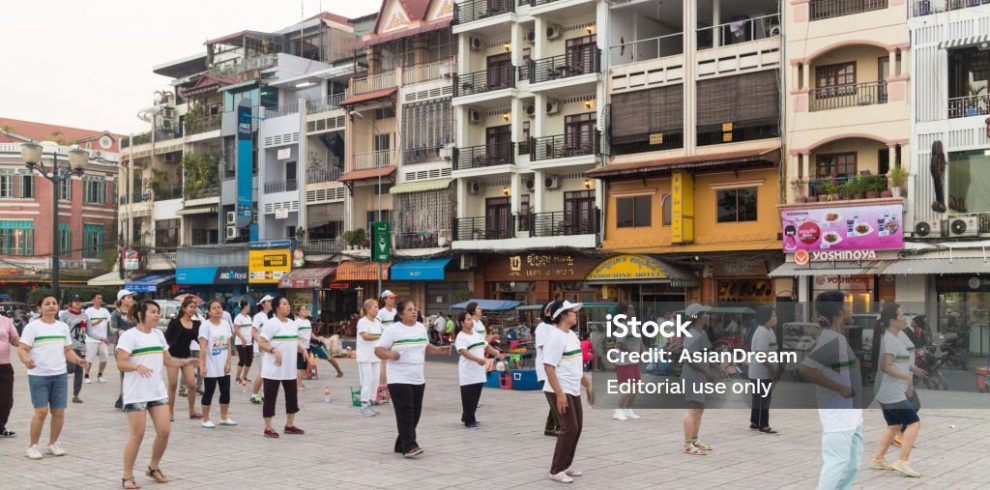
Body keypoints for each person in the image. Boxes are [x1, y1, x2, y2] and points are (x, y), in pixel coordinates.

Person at [118, 300, 188, 489]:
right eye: (153, 312)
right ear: (141, 314)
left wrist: (188, 362)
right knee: (137, 435)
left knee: (164, 431)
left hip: (156, 391)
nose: (157, 315)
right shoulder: (129, 336)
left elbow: (168, 360)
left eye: (158, 312)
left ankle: (153, 467)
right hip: (136, 393)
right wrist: (136, 366)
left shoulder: (158, 335)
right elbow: (121, 362)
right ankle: (127, 476)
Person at [799, 291, 864, 490]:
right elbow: (806, 368)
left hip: (851, 414)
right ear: (837, 311)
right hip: (838, 415)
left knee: (851, 465)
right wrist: (840, 388)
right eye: (846, 304)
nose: (849, 307)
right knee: (837, 464)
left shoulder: (838, 337)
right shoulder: (831, 339)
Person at [375, 300, 451, 457]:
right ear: (401, 314)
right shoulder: (392, 330)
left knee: (415, 414)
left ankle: (400, 443)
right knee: (406, 412)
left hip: (418, 377)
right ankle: (410, 446)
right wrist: (389, 354)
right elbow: (378, 350)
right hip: (399, 378)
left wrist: (438, 350)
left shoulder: (420, 328)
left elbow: (425, 346)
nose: (414, 312)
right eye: (410, 310)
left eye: (415, 309)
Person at [18, 294, 90, 459]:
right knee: (41, 411)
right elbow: (22, 348)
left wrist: (79, 360)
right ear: (39, 308)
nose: (51, 306)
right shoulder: (33, 326)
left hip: (59, 375)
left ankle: (53, 443)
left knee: (59, 412)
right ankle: (33, 446)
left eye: (54, 303)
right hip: (39, 375)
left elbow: (67, 350)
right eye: (47, 303)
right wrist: (26, 360)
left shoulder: (62, 327)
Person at [869, 303, 922, 477]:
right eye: (901, 315)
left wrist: (912, 371)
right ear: (892, 321)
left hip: (889, 391)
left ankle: (878, 459)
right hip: (892, 391)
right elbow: (886, 366)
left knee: (893, 426)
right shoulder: (890, 340)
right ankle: (903, 462)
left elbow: (900, 361)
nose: (904, 318)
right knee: (914, 423)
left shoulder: (895, 337)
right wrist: (907, 378)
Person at [542, 299, 593, 483]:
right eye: (572, 311)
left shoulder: (571, 335)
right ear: (563, 315)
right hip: (558, 389)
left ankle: (565, 465)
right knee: (569, 428)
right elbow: (548, 367)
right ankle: (556, 470)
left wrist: (587, 386)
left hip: (572, 388)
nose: (575, 314)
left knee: (576, 428)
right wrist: (560, 394)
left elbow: (575, 366)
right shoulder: (555, 337)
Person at [257, 296, 305, 438]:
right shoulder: (271, 323)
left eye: (288, 304)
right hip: (273, 369)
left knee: (292, 397)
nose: (288, 306)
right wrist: (273, 350)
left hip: (289, 369)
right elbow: (261, 342)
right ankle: (268, 427)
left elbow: (293, 342)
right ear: (277, 307)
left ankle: (289, 425)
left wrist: (304, 351)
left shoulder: (292, 323)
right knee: (270, 398)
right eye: (284, 304)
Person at [682, 303, 720, 456]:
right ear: (697, 317)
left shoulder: (702, 334)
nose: (706, 316)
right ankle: (687, 444)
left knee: (700, 409)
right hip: (692, 376)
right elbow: (689, 359)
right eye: (703, 313)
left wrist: (718, 367)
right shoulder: (691, 335)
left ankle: (695, 440)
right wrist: (706, 373)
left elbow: (706, 355)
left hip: (700, 376)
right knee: (692, 409)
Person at [455, 311, 504, 429]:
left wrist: (497, 353)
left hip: (479, 371)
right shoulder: (461, 336)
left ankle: (466, 415)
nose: (471, 321)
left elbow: (486, 346)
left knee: (476, 396)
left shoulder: (476, 334)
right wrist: (477, 359)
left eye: (471, 319)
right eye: (467, 319)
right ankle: (469, 420)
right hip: (467, 372)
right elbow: (463, 352)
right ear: (462, 323)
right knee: (468, 396)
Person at [198, 299, 237, 429]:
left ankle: (224, 417)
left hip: (223, 365)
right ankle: (206, 419)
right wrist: (203, 366)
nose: (217, 310)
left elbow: (228, 345)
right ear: (209, 312)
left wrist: (228, 363)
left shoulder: (226, 324)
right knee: (209, 391)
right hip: (210, 365)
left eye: (219, 307)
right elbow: (202, 347)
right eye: (214, 308)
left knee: (225, 392)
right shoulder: (205, 325)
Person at [164, 298, 202, 420]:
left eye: (194, 307)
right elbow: (166, 339)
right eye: (191, 306)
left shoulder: (196, 324)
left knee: (192, 385)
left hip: (186, 357)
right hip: (173, 357)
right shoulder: (174, 322)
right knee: (173, 385)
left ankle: (192, 411)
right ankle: (170, 413)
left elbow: (200, 340)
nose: (193, 309)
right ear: (184, 308)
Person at [748, 305, 779, 434]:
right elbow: (761, 354)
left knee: (758, 398)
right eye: (773, 316)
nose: (776, 318)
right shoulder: (762, 332)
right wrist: (772, 369)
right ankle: (763, 424)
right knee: (763, 399)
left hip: (761, 373)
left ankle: (755, 421)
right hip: (761, 373)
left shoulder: (768, 330)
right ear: (766, 318)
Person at [613, 302, 642, 421]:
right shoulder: (622, 327)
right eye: (630, 310)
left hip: (633, 361)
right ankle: (618, 411)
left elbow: (639, 339)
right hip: (624, 362)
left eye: (633, 310)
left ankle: (628, 409)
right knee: (628, 388)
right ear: (624, 313)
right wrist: (632, 352)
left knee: (636, 387)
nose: (633, 312)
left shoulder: (635, 325)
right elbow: (619, 344)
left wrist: (643, 351)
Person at [535, 300, 560, 437]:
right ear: (546, 312)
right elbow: (545, 347)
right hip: (546, 370)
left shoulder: (556, 327)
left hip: (556, 369)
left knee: (555, 399)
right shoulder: (542, 327)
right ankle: (560, 426)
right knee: (556, 399)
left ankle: (550, 427)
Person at [59, 295, 88, 404]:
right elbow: (61, 330)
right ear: (70, 303)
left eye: (79, 301)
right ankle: (59, 389)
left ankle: (76, 395)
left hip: (81, 347)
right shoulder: (64, 315)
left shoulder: (85, 316)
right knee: (70, 368)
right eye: (75, 301)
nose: (77, 303)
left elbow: (89, 331)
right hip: (69, 347)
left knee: (79, 372)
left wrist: (100, 338)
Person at [356, 299, 383, 417]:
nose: (377, 309)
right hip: (365, 356)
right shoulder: (362, 321)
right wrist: (380, 336)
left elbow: (386, 332)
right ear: (367, 309)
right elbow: (365, 336)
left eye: (377, 307)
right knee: (367, 380)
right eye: (374, 307)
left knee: (375, 381)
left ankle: (370, 403)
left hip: (376, 356)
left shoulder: (377, 321)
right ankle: (363, 405)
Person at [112, 290, 138, 410]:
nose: (131, 299)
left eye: (131, 297)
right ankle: (125, 402)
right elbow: (112, 329)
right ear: (121, 299)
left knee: (133, 373)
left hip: (135, 347)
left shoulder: (134, 313)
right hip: (121, 347)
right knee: (125, 373)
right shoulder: (116, 314)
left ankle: (122, 399)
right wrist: (120, 331)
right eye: (128, 297)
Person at [250, 295, 274, 405]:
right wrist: (260, 341)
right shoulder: (258, 316)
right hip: (260, 349)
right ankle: (254, 395)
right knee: (262, 373)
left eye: (271, 301)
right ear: (263, 304)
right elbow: (254, 331)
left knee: (269, 373)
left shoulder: (273, 317)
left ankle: (265, 394)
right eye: (268, 301)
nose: (271, 303)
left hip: (269, 349)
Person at [84, 293, 111, 384]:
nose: (100, 300)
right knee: (89, 359)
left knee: (105, 358)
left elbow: (110, 322)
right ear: (93, 300)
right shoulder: (88, 311)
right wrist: (97, 321)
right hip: (91, 339)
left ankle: (100, 375)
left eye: (101, 298)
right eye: (98, 298)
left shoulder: (105, 311)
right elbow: (86, 325)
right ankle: (86, 376)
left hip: (103, 339)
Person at [1, 312, 20, 437]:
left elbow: (15, 340)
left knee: (6, 399)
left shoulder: (6, 321)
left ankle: (0, 426)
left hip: (4, 366)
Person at [232, 300, 254, 386]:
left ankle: (244, 377)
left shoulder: (248, 317)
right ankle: (237, 378)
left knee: (249, 360)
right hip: (240, 342)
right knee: (242, 360)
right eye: (248, 306)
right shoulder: (238, 317)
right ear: (245, 306)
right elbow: (236, 329)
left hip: (249, 342)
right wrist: (242, 339)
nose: (249, 308)